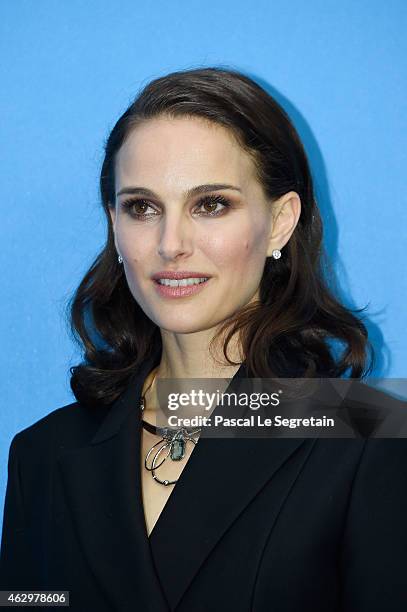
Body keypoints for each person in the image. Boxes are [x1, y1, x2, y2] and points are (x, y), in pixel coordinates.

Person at [1, 67, 406, 611]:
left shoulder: (370, 439)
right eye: (142, 208)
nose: (171, 244)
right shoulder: (43, 454)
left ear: (281, 222)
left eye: (211, 204)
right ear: (114, 228)